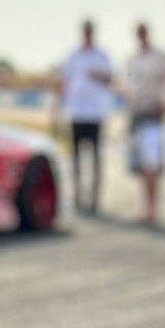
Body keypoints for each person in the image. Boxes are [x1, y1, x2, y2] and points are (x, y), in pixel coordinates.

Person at [120, 21, 165, 227]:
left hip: (153, 116)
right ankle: (146, 207)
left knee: (151, 166)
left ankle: (152, 210)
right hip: (136, 117)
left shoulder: (160, 58)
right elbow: (124, 87)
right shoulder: (131, 60)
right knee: (141, 167)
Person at [59, 19, 112, 215]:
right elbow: (64, 82)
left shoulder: (102, 55)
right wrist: (59, 109)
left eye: (90, 32)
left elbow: (111, 78)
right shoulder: (73, 55)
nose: (88, 35)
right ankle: (78, 196)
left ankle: (95, 199)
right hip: (76, 113)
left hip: (95, 114)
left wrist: (98, 74)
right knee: (76, 159)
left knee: (96, 158)